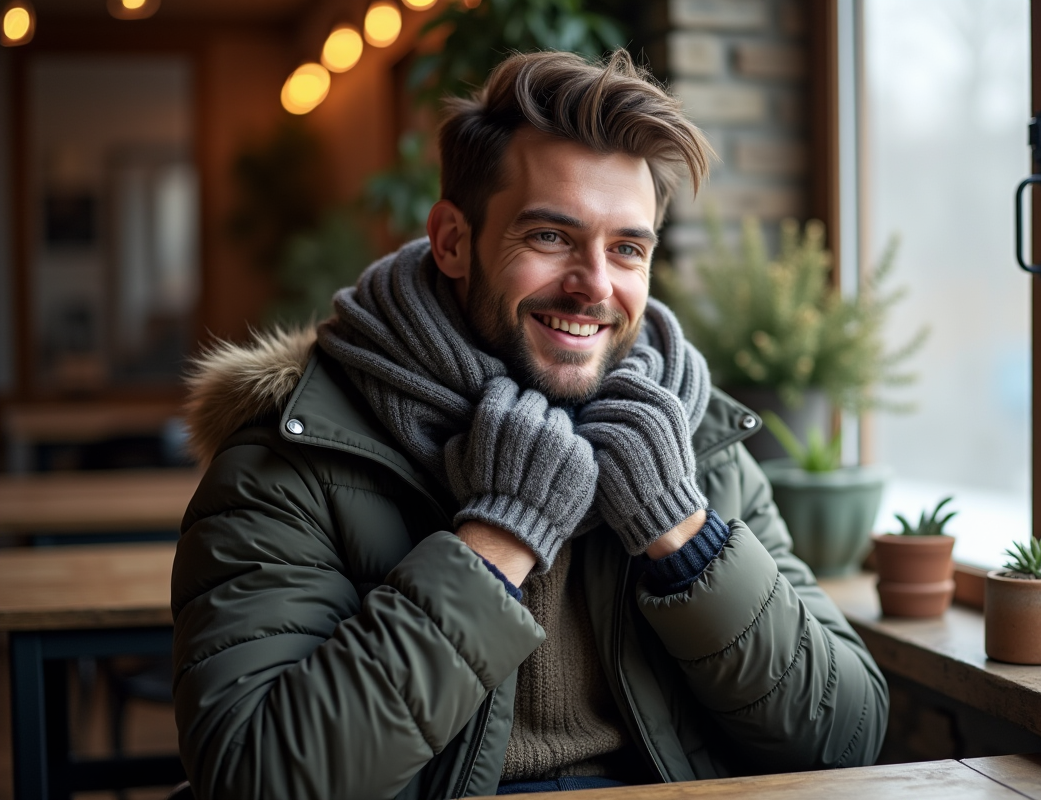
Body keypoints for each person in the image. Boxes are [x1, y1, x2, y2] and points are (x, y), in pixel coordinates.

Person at [172, 49, 888, 800]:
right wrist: (501, 537)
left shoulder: (689, 436)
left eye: (627, 249)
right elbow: (257, 779)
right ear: (453, 241)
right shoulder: (295, 452)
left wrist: (681, 531)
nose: (594, 286)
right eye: (550, 236)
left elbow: (845, 737)